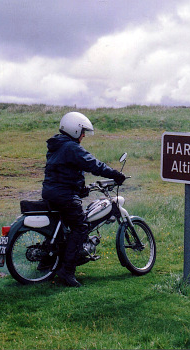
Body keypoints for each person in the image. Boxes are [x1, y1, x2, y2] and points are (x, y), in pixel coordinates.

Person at [42, 111, 125, 287]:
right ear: (74, 130)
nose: (84, 136)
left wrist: (80, 189)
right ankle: (67, 272)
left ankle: (48, 261)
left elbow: (63, 172)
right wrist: (115, 174)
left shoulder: (57, 145)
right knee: (80, 227)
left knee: (64, 227)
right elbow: (93, 164)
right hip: (64, 195)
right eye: (82, 131)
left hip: (52, 192)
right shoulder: (71, 147)